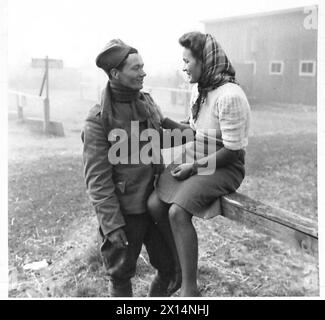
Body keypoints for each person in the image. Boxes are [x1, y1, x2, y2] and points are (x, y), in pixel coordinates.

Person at [148, 32, 251, 297]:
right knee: (154, 204)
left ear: (205, 61)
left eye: (188, 61)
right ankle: (177, 267)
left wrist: (193, 168)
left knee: (177, 213)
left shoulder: (230, 96)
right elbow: (193, 132)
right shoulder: (199, 89)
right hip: (198, 155)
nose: (184, 68)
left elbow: (232, 150)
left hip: (223, 165)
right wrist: (162, 119)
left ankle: (189, 289)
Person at [81, 39, 180, 297]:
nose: (143, 73)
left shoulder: (146, 102)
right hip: (125, 215)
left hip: (157, 205)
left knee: (170, 269)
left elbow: (166, 132)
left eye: (143, 67)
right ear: (115, 74)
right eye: (136, 68)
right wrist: (111, 224)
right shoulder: (98, 120)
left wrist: (200, 133)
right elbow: (97, 180)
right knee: (120, 275)